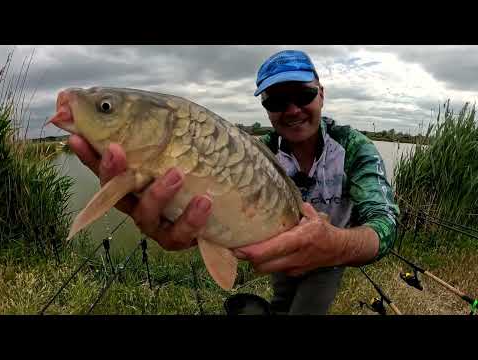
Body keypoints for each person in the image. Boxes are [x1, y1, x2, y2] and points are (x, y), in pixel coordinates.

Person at [69, 49, 399, 315]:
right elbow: (208, 207)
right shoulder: (257, 151)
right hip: (274, 253)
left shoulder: (354, 148)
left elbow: (384, 225)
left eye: (303, 94)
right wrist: (182, 223)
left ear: (322, 95)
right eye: (276, 101)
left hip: (331, 259)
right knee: (282, 300)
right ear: (265, 108)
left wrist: (334, 245)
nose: (293, 109)